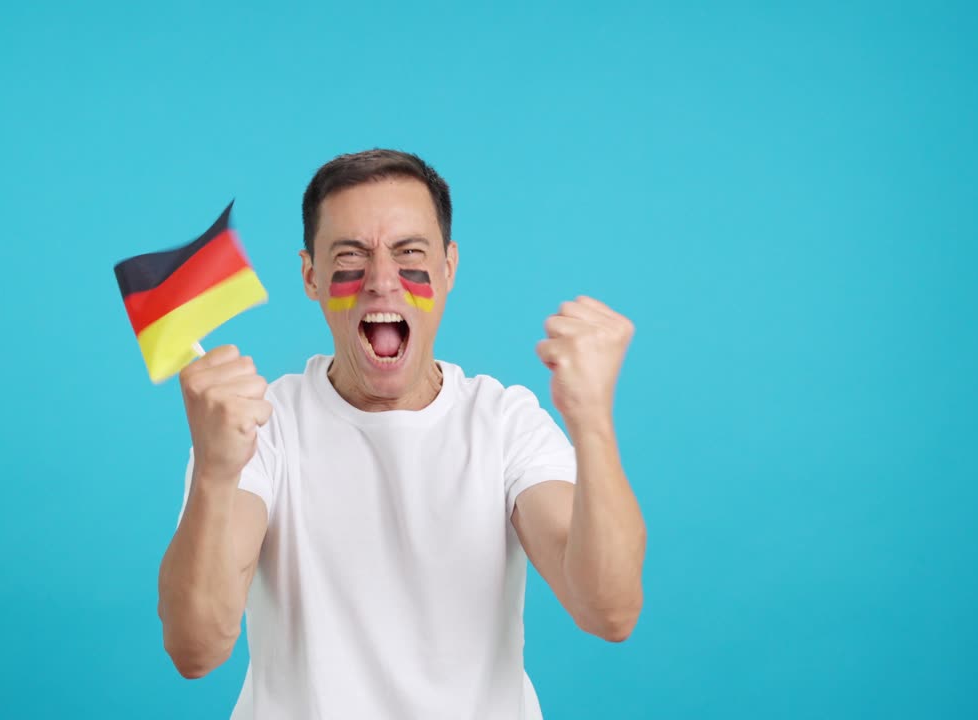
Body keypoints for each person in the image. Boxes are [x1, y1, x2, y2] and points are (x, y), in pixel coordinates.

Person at [158, 149, 647, 719]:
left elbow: (608, 610)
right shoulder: (261, 427)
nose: (382, 281)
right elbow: (196, 648)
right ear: (311, 276)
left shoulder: (505, 422)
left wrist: (592, 423)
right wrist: (217, 473)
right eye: (350, 257)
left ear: (449, 268)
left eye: (410, 253)